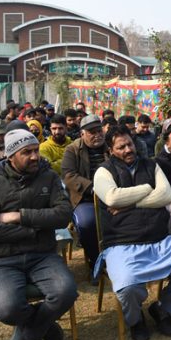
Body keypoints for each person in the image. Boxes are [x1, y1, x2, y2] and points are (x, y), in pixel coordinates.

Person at [0, 129, 78, 340]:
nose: (35, 156)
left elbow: (63, 215)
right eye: (27, 152)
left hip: (42, 255)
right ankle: (45, 326)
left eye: (35, 150)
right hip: (2, 259)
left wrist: (19, 216)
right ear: (11, 156)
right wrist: (34, 229)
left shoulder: (48, 176)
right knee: (8, 309)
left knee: (66, 292)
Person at [93, 125, 171, 340]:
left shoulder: (150, 164)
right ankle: (136, 320)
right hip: (121, 243)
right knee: (127, 285)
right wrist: (146, 189)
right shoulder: (103, 171)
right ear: (110, 149)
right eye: (121, 146)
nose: (128, 149)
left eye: (130, 144)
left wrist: (129, 204)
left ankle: (163, 309)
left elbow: (164, 196)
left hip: (159, 238)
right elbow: (113, 198)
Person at [61, 114, 109, 267]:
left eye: (99, 131)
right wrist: (93, 188)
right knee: (87, 222)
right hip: (85, 198)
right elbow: (69, 176)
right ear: (82, 134)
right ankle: (95, 261)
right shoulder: (73, 149)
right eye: (92, 132)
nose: (97, 135)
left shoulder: (110, 146)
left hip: (112, 195)